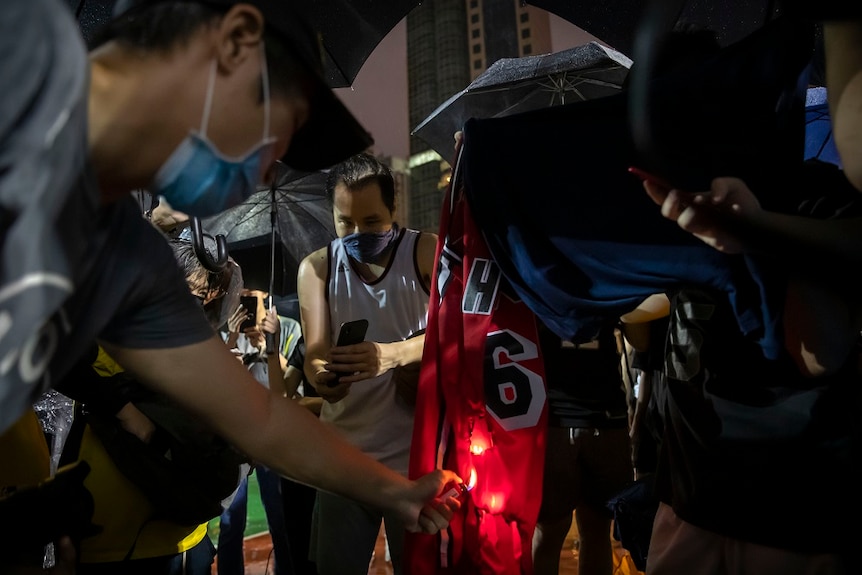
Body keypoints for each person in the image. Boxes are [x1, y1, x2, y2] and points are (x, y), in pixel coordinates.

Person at [0, 1, 460, 572]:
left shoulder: (128, 263)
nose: (267, 171)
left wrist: (395, 491)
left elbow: (258, 418)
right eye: (274, 134)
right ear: (236, 41)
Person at [297, 152, 438, 575]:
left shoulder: (426, 251)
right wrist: (324, 379)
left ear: (394, 210)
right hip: (344, 458)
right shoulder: (317, 267)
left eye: (372, 221)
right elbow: (315, 352)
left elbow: (460, 335)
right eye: (345, 223)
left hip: (417, 459)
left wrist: (393, 354)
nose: (357, 233)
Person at [531, 319, 634, 575]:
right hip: (575, 412)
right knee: (559, 530)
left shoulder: (541, 278)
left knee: (570, 530)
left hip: (583, 413)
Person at [216, 290, 295, 575]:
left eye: (252, 297)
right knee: (230, 520)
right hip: (238, 437)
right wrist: (233, 339)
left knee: (279, 516)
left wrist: (266, 347)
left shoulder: (286, 327)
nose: (246, 302)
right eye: (242, 297)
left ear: (267, 298)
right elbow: (219, 383)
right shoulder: (230, 332)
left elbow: (292, 380)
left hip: (274, 434)